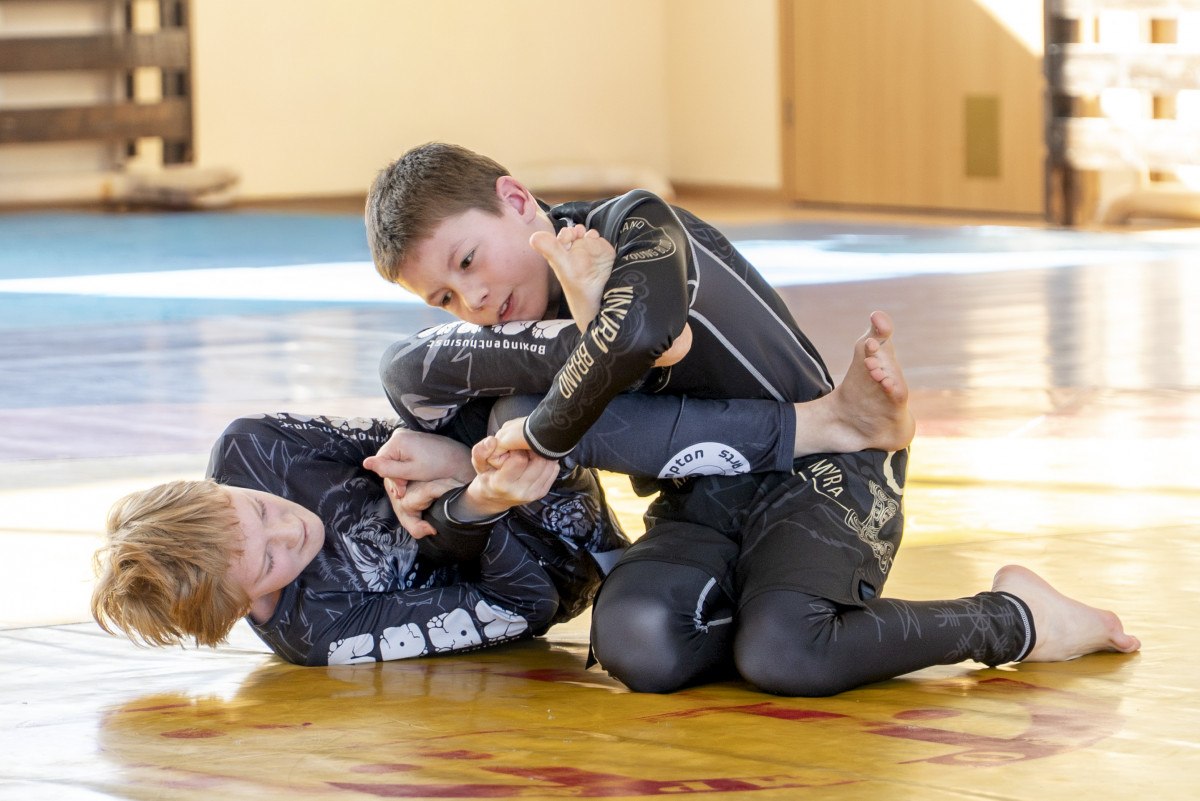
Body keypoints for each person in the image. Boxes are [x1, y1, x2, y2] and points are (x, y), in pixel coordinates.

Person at [363, 142, 1140, 696]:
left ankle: (1016, 617)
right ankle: (767, 603)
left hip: (824, 472)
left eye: (468, 261)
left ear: (514, 200)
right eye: (444, 298)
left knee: (787, 650)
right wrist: (467, 477)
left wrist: (534, 435)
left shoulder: (636, 223)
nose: (474, 301)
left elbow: (641, 332)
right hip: (702, 498)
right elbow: (440, 490)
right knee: (637, 642)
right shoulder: (511, 337)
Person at [91, 412, 630, 666]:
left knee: (409, 369)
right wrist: (475, 506)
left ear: (212, 488)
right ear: (238, 606)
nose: (293, 527)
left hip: (507, 453)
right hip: (562, 555)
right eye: (270, 559)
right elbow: (525, 606)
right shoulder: (318, 630)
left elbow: (406, 435)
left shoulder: (251, 448)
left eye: (260, 508)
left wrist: (451, 462)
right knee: (446, 519)